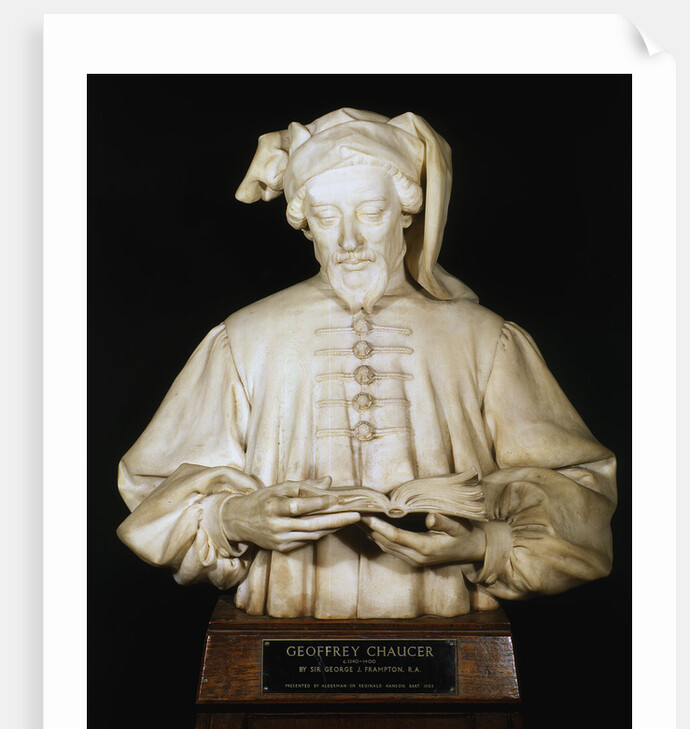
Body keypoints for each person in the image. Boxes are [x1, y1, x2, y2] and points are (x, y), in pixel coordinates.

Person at [117, 108, 617, 619]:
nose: (350, 241)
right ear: (306, 225)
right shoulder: (245, 337)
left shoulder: (485, 339)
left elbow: (583, 492)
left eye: (371, 213)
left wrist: (484, 544)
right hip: (288, 622)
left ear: (406, 214)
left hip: (443, 616)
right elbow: (151, 486)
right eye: (327, 217)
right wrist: (233, 518)